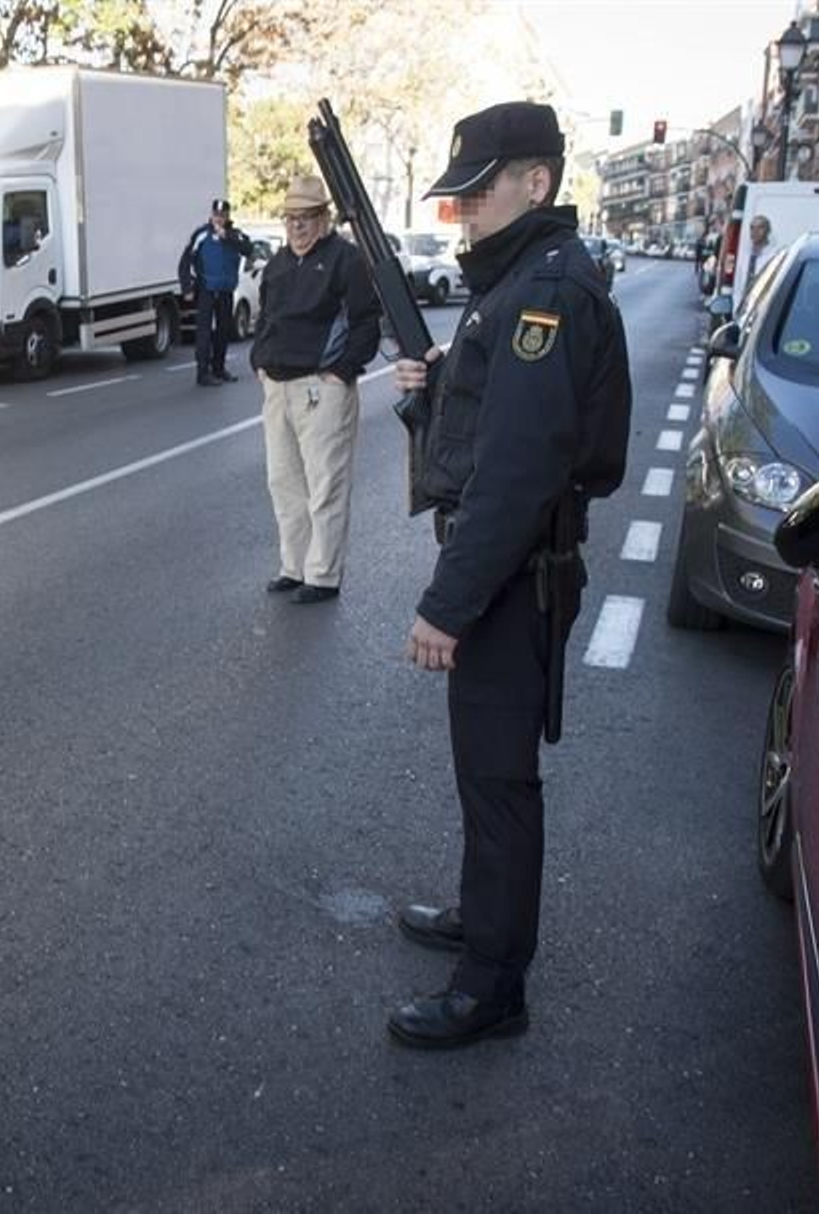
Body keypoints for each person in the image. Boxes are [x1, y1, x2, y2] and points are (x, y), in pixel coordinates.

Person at [389, 101, 631, 1048]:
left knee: (499, 781)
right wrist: (432, 393)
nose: (464, 211)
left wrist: (445, 607)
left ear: (537, 182)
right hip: (509, 569)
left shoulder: (546, 296)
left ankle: (492, 985)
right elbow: (483, 431)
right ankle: (478, 915)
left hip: (510, 576)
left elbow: (521, 469)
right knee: (484, 772)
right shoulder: (521, 282)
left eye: (477, 192)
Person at [249, 174, 382, 605]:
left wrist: (342, 370)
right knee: (283, 483)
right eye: (291, 219)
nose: (297, 227)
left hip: (321, 386)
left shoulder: (346, 260)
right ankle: (295, 566)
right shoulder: (278, 263)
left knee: (326, 484)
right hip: (278, 386)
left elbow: (366, 322)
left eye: (306, 218)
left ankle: (322, 576)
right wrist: (259, 362)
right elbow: (267, 318)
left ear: (324, 219)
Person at [179, 197, 254, 387]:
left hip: (226, 290)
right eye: (216, 215)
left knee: (223, 331)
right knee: (204, 332)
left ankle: (219, 368)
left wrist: (226, 236)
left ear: (227, 216)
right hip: (206, 289)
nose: (218, 219)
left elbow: (248, 249)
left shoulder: (235, 235)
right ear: (211, 215)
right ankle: (202, 372)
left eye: (222, 216)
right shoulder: (201, 235)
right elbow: (185, 261)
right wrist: (187, 287)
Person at [749, 213, 774, 280]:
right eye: (752, 228)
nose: (755, 231)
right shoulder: (744, 256)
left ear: (768, 230)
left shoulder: (773, 257)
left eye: (760, 227)